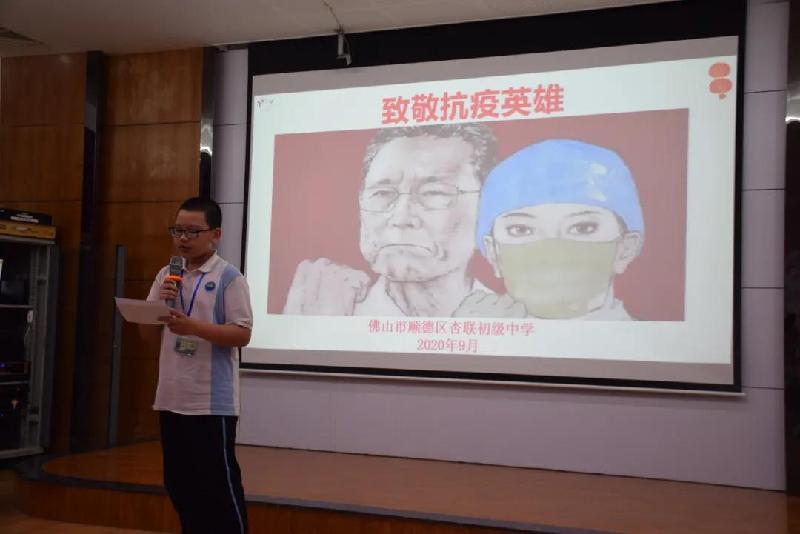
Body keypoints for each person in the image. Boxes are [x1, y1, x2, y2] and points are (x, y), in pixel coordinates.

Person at [283, 123, 504, 317]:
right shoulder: (320, 311)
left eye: (433, 193)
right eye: (382, 193)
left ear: (486, 209)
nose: (400, 217)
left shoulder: (515, 321)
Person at [142, 197, 252, 533]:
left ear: (215, 234)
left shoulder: (229, 277)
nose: (183, 239)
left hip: (210, 402)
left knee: (218, 487)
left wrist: (193, 327)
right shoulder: (167, 274)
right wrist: (158, 305)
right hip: (172, 397)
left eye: (192, 231)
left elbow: (242, 334)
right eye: (178, 230)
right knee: (180, 483)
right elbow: (147, 333)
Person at [464, 139, 644, 320]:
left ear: (626, 249)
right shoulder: (476, 325)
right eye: (521, 229)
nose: (552, 253)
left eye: (582, 228)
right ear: (493, 252)